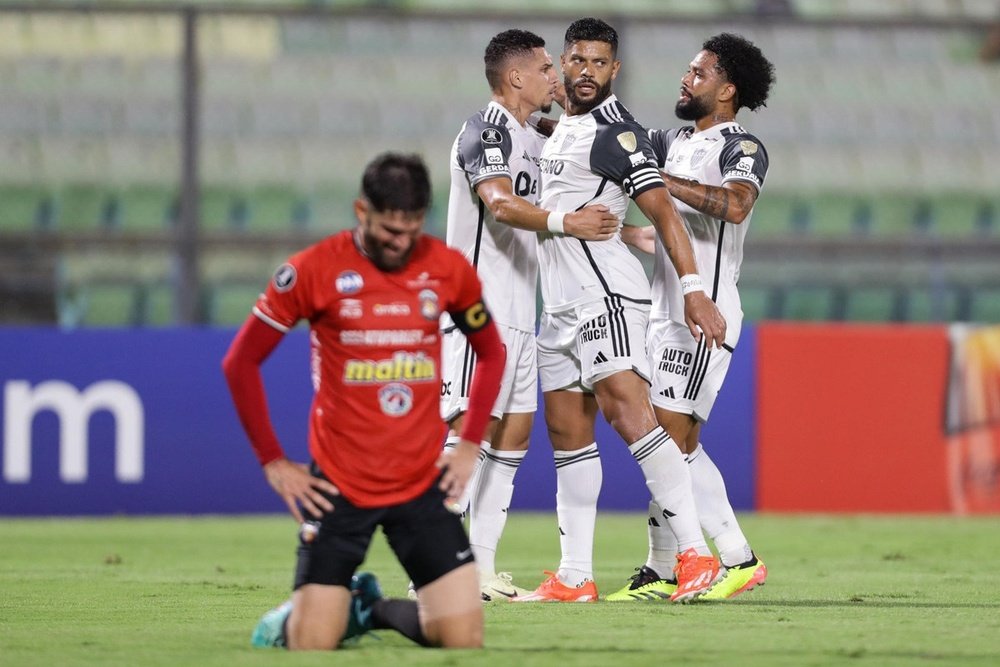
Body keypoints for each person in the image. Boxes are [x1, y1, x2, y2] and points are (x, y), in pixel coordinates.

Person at [221, 152, 504, 650]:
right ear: (361, 211)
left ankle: (367, 609)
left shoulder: (446, 269)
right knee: (311, 643)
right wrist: (274, 462)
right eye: (388, 229)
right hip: (339, 485)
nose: (400, 242)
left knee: (462, 637)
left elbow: (491, 352)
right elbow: (240, 363)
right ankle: (315, 615)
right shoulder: (312, 270)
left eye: (411, 228)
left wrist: (467, 445)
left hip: (419, 482)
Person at [511, 17, 727, 604]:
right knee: (567, 435)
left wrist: (693, 289)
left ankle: (695, 555)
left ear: (615, 69)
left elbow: (664, 214)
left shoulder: (617, 134)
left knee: (630, 417)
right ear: (563, 63)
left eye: (599, 63)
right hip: (557, 307)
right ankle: (575, 576)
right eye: (577, 60)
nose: (587, 72)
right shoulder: (566, 130)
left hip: (606, 297)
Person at [440, 28, 619, 602]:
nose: (557, 76)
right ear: (515, 77)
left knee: (513, 437)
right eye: (547, 68)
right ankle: (435, 571)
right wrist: (568, 224)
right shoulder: (483, 130)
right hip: (477, 310)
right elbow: (498, 201)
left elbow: (568, 160)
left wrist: (630, 232)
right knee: (467, 433)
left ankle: (480, 571)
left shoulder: (532, 135)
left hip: (521, 314)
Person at [611, 32, 775, 601]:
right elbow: (670, 227)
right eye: (687, 70)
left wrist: (653, 183)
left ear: (727, 89)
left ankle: (737, 557)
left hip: (705, 313)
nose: (686, 79)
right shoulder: (670, 140)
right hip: (663, 310)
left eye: (698, 73)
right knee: (666, 443)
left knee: (666, 442)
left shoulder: (742, 146)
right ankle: (662, 567)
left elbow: (733, 205)